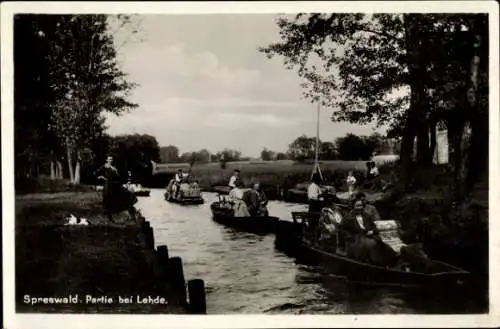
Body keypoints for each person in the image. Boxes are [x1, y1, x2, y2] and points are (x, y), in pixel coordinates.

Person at [341, 199, 397, 266]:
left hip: (369, 235)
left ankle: (387, 262)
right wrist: (349, 236)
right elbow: (342, 229)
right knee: (371, 244)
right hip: (356, 237)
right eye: (357, 206)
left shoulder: (366, 215)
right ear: (353, 206)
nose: (360, 208)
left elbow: (374, 226)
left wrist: (372, 231)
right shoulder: (348, 217)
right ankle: (375, 263)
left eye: (361, 206)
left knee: (385, 244)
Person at [94, 155, 137, 222]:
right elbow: (95, 173)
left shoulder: (114, 168)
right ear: (106, 160)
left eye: (111, 159)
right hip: (108, 186)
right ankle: (110, 219)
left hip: (115, 186)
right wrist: (101, 177)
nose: (110, 160)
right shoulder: (105, 166)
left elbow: (118, 177)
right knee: (109, 201)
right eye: (109, 159)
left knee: (124, 196)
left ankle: (131, 216)